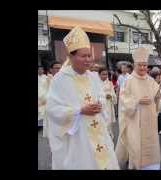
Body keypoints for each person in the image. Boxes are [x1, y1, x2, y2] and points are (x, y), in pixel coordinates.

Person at [45, 27, 119, 170]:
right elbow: (52, 109)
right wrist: (79, 110)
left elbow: (101, 97)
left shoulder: (92, 76)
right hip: (78, 136)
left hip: (98, 129)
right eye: (83, 56)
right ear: (71, 56)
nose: (87, 60)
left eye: (89, 56)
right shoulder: (60, 79)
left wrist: (100, 104)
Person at [115, 47, 161, 170]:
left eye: (145, 65)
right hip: (135, 120)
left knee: (150, 147)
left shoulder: (151, 80)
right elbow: (124, 101)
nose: (142, 68)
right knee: (136, 147)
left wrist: (158, 98)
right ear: (135, 65)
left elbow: (157, 100)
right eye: (140, 65)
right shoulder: (128, 81)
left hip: (150, 120)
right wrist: (137, 101)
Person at [99, 68, 117, 140]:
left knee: (108, 121)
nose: (105, 76)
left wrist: (111, 96)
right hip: (101, 105)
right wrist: (103, 96)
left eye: (106, 74)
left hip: (108, 105)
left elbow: (113, 94)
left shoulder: (110, 83)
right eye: (103, 74)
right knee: (101, 121)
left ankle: (109, 136)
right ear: (99, 74)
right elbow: (95, 94)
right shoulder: (95, 83)